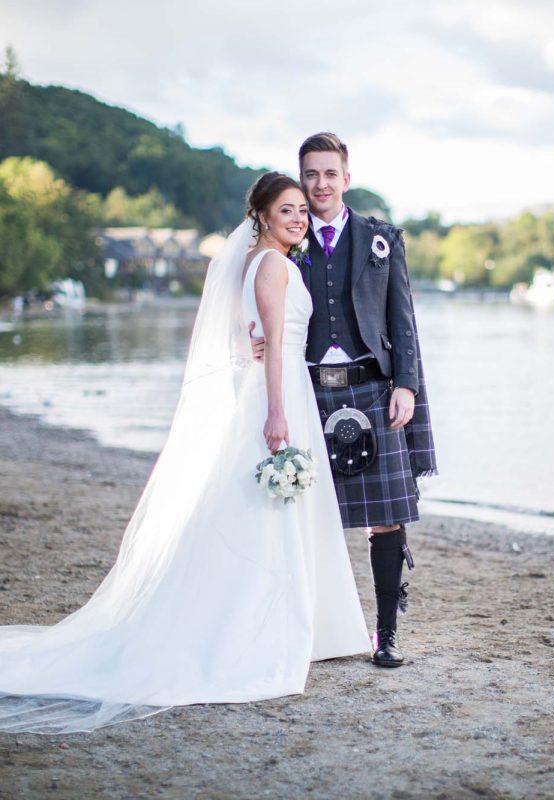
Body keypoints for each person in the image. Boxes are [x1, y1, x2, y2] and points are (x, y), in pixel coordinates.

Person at [0, 174, 370, 735]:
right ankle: (264, 628)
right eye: (287, 209)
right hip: (278, 392)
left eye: (302, 210)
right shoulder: (274, 266)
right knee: (265, 513)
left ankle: (295, 625)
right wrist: (277, 412)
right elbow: (273, 343)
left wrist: (256, 360)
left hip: (277, 384)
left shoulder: (256, 263)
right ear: (263, 217)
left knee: (257, 511)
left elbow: (250, 337)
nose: (298, 217)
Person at [250, 133, 437, 667]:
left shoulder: (380, 238)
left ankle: (385, 633)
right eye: (310, 175)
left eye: (329, 174)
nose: (320, 184)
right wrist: (254, 337)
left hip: (373, 389)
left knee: (386, 517)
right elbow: (263, 302)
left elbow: (404, 321)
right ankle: (302, 626)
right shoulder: (288, 239)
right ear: (301, 178)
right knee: (300, 513)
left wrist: (407, 385)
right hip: (308, 391)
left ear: (346, 179)